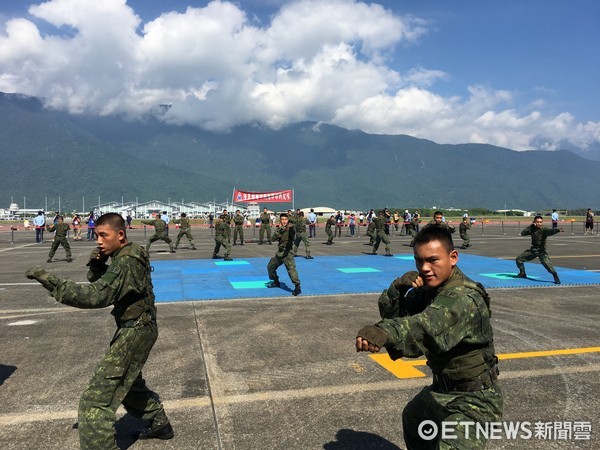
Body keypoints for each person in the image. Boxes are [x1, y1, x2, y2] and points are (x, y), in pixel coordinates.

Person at [25, 213, 174, 448]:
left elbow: (96, 295)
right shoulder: (127, 252)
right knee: (129, 382)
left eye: (104, 235)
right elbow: (108, 283)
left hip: (136, 330)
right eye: (96, 235)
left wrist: (50, 281)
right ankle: (159, 423)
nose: (99, 241)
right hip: (138, 327)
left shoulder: (126, 262)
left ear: (120, 235)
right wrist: (97, 265)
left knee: (95, 401)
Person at [355, 226, 503, 449]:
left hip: (474, 400)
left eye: (433, 260)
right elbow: (397, 314)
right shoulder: (432, 289)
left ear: (453, 257)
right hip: (442, 390)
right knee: (414, 419)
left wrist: (384, 332)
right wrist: (397, 288)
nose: (424, 268)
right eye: (419, 261)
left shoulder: (462, 298)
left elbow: (425, 327)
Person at [516, 215, 563, 284]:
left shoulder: (543, 229)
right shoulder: (532, 228)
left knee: (548, 266)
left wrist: (557, 230)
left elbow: (550, 231)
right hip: (533, 250)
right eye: (537, 222)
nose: (539, 223)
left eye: (540, 222)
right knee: (519, 259)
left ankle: (555, 276)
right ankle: (522, 273)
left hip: (542, 252)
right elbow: (523, 233)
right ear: (534, 222)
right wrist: (531, 226)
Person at [267, 213, 301, 296]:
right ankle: (276, 281)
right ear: (280, 220)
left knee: (291, 269)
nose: (284, 221)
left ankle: (297, 286)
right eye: (282, 219)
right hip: (280, 253)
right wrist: (279, 232)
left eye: (286, 219)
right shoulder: (279, 229)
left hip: (287, 253)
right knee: (270, 267)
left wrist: (291, 223)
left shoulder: (291, 228)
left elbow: (294, 227)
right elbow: (272, 239)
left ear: (288, 220)